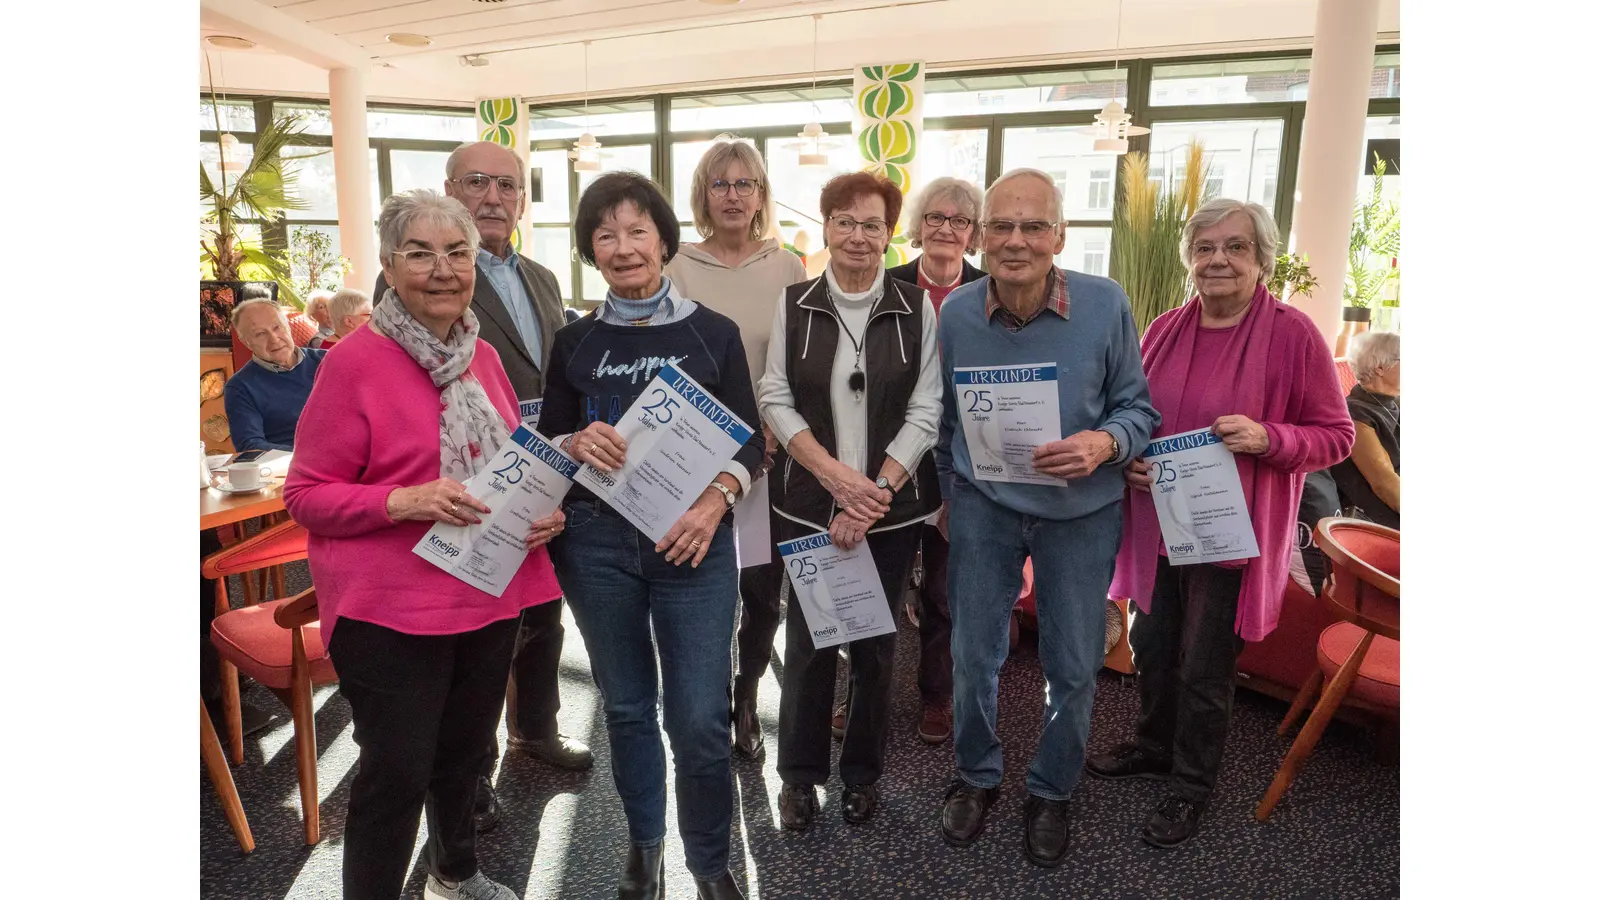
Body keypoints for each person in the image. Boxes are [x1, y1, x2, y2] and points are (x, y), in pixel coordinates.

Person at [285, 190, 569, 900]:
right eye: (419, 253)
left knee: (465, 755)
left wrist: (542, 511)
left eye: (457, 252)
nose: (441, 270)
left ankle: (454, 872)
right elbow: (306, 494)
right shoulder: (354, 362)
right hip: (388, 606)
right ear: (388, 265)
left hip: (485, 588)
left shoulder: (484, 358)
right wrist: (399, 500)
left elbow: (506, 468)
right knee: (397, 770)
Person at [1091, 198, 1355, 849]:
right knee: (1153, 646)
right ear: (1191, 257)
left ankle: (1191, 786)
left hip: (1229, 535)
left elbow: (1336, 435)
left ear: (1262, 258)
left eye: (1235, 247)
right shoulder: (1163, 329)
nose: (1218, 259)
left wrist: (1270, 437)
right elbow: (1138, 417)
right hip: (1161, 521)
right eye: (1206, 247)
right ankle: (1154, 745)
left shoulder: (1294, 336)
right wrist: (1130, 460)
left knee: (1205, 665)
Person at [541, 171, 763, 900]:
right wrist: (575, 441)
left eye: (638, 231)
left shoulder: (713, 333)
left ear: (665, 240)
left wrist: (715, 503)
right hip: (596, 546)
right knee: (628, 707)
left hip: (691, 544)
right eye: (606, 234)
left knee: (699, 718)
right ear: (591, 251)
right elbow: (550, 442)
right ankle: (645, 847)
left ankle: (708, 861)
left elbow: (751, 444)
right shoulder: (574, 340)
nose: (624, 247)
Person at [933, 168, 1159, 868]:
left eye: (1034, 226)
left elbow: (1139, 411)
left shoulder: (1104, 304)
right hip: (983, 509)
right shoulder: (959, 314)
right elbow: (944, 420)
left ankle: (1053, 788)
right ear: (981, 235)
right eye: (1001, 225)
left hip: (1078, 514)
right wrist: (947, 494)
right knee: (973, 655)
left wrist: (1105, 443)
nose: (1016, 240)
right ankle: (976, 774)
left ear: (1060, 236)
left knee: (1072, 662)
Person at [375, 141, 593, 827]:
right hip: (458, 486)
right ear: (450, 190)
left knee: (539, 611)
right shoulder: (417, 279)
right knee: (474, 639)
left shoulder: (543, 278)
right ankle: (468, 777)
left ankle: (536, 728)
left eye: (508, 185)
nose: (495, 196)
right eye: (478, 182)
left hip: (536, 471)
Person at [759, 171, 943, 830]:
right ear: (827, 226)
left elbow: (928, 408)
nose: (858, 236)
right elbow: (776, 395)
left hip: (892, 508)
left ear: (891, 234)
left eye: (872, 224)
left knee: (874, 644)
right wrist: (837, 479)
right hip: (811, 502)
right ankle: (799, 778)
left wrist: (877, 492)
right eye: (845, 221)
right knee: (808, 644)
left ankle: (862, 774)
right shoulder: (795, 303)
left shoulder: (917, 306)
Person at [664, 139, 807, 760]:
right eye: (720, 184)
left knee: (761, 589)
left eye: (744, 184)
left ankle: (745, 696)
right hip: (693, 457)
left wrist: (779, 428)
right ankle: (705, 696)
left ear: (760, 196)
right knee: (702, 586)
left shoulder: (788, 267)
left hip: (769, 453)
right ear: (703, 195)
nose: (732, 194)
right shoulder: (675, 267)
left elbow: (799, 363)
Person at [884, 176, 986, 745]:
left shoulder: (989, 290)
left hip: (964, 461)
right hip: (895, 455)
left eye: (960, 221)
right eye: (937, 217)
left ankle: (936, 696)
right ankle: (863, 694)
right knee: (880, 582)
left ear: (972, 234)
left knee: (945, 590)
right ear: (920, 225)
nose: (946, 229)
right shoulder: (887, 285)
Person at [223, 299, 326, 452]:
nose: (274, 339)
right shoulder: (240, 387)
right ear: (246, 342)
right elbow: (250, 445)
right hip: (292, 467)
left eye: (277, 327)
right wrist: (310, 455)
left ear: (288, 327)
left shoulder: (327, 361)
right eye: (260, 334)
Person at [1331, 329, 1400, 528]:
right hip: (1381, 520)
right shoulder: (1355, 414)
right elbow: (1385, 484)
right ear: (1380, 367)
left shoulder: (1391, 404)